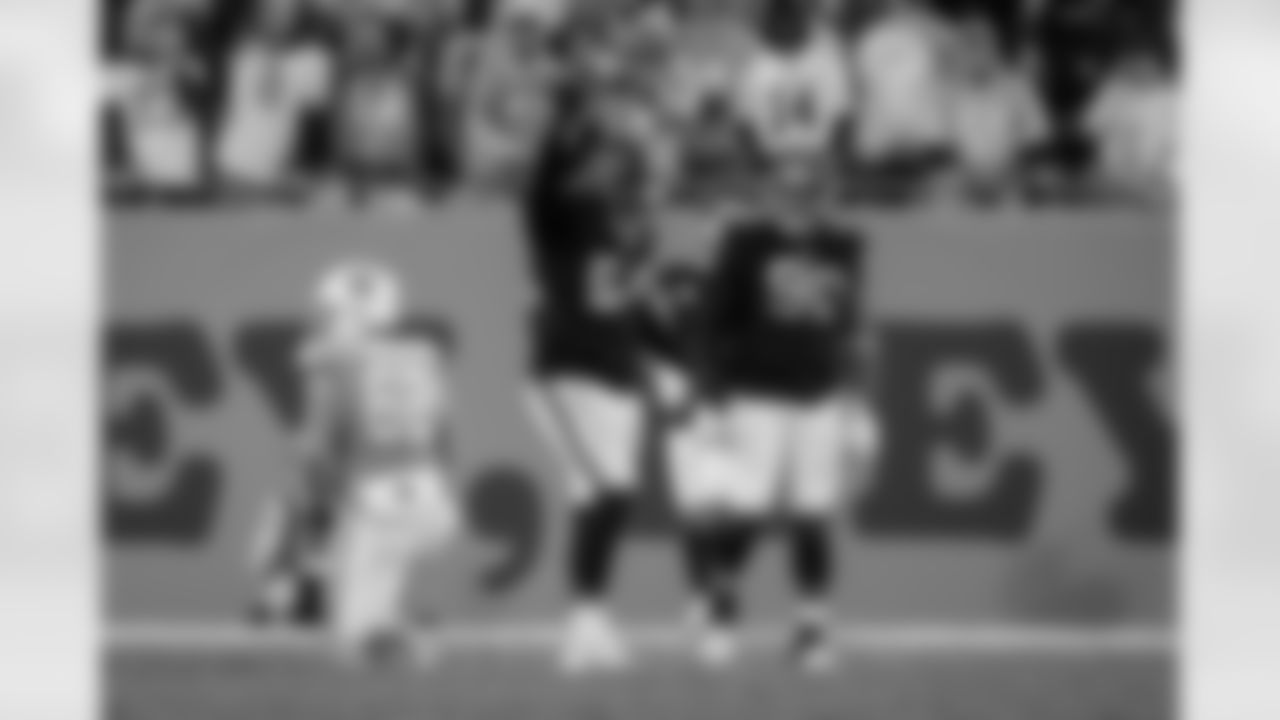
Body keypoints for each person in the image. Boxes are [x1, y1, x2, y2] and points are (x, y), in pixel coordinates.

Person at [676, 179, 880, 672]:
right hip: (756, 393)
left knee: (813, 513)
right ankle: (722, 616)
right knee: (747, 508)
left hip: (819, 393)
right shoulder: (746, 244)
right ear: (772, 193)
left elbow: (850, 325)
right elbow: (712, 323)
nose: (802, 198)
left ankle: (813, 629)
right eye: (791, 187)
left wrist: (857, 398)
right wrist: (712, 396)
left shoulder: (843, 245)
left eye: (811, 186)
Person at [250, 260, 461, 665]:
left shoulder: (330, 359)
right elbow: (445, 440)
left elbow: (317, 450)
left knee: (351, 640)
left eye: (330, 313)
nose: (324, 321)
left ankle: (408, 638)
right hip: (434, 505)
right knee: (366, 612)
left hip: (378, 506)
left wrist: (324, 504)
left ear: (347, 314)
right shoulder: (423, 355)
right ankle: (394, 624)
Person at [520, 77, 657, 674]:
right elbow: (539, 192)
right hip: (567, 372)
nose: (608, 172)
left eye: (614, 165)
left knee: (610, 500)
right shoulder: (561, 217)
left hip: (615, 374)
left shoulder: (630, 228)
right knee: (605, 493)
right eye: (599, 162)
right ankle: (582, 625)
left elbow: (628, 298)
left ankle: (590, 620)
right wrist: (565, 130)